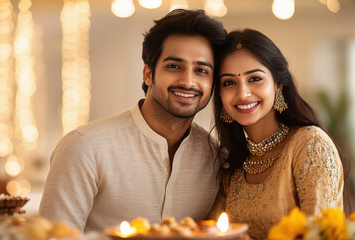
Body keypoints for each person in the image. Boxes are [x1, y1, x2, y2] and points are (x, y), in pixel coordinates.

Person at [39, 9, 227, 232]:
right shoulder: (84, 147)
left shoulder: (215, 156)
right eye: (174, 66)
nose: (188, 81)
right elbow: (53, 237)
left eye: (201, 70)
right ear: (148, 74)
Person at [209, 29, 349, 240]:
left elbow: (321, 235)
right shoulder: (234, 164)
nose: (243, 93)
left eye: (255, 78)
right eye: (229, 82)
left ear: (278, 85)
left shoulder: (310, 144)